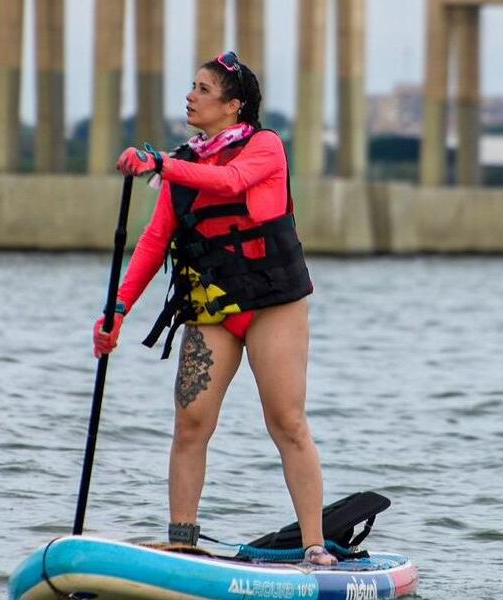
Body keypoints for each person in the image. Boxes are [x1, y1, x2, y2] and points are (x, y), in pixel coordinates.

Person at [92, 51, 336, 566]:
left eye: (203, 89)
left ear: (234, 105)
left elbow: (231, 183)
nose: (190, 96)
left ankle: (314, 546)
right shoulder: (185, 163)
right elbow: (156, 240)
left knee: (286, 421)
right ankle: (182, 538)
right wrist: (116, 311)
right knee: (191, 422)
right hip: (213, 309)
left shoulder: (265, 147)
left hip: (273, 306)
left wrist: (160, 163)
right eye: (193, 87)